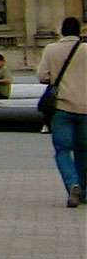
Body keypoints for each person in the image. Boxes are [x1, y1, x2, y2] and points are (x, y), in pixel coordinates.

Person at [36, 16, 87, 207]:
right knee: (84, 150)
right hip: (85, 107)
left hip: (61, 107)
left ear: (62, 31)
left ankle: (72, 183)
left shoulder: (52, 49)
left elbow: (42, 76)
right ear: (79, 32)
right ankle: (83, 190)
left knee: (63, 150)